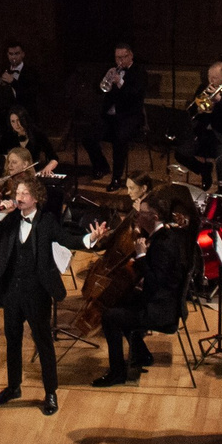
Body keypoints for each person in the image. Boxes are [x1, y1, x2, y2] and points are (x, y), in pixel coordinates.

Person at [85, 182, 194, 386]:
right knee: (121, 300)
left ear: (154, 217)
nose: (137, 216)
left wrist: (142, 256)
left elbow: (155, 283)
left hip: (161, 311)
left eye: (142, 213)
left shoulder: (163, 245)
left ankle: (117, 373)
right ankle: (141, 354)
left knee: (110, 317)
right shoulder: (163, 236)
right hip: (162, 302)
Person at [0, 177, 68, 414]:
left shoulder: (46, 221)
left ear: (36, 198)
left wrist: (90, 239)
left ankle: (50, 393)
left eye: (24, 194)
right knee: (12, 340)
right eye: (17, 193)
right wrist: (0, 214)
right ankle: (13, 387)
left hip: (37, 293)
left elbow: (66, 239)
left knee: (43, 342)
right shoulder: (10, 220)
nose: (18, 198)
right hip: (12, 292)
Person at [176, 59, 222, 185]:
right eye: (209, 77)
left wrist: (220, 100)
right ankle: (204, 169)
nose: (211, 80)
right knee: (180, 153)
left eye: (214, 78)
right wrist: (198, 110)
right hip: (202, 134)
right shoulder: (203, 88)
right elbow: (191, 112)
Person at [92, 42, 145, 186]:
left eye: (123, 57)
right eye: (117, 57)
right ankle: (102, 166)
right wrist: (106, 78)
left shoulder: (139, 71)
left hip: (129, 117)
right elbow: (99, 90)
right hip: (110, 116)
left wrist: (120, 81)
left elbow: (135, 94)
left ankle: (116, 177)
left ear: (131, 55)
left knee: (119, 140)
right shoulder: (112, 69)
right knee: (88, 137)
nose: (120, 61)